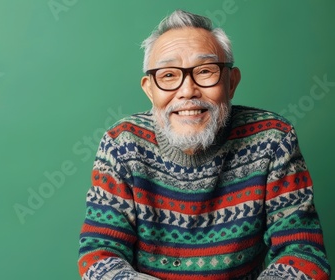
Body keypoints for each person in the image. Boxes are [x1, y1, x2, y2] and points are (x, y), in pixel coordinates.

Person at [77, 10, 331, 280]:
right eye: (168, 75)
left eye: (205, 71)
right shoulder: (121, 145)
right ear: (149, 89)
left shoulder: (274, 140)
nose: (187, 91)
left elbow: (303, 254)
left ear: (231, 83)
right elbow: (100, 255)